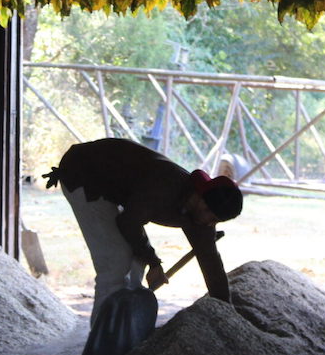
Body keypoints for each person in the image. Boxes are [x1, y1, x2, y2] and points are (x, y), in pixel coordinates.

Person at [42, 138, 243, 324]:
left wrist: (227, 312)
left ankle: (125, 326)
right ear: (199, 196)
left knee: (137, 262)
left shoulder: (202, 218)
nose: (209, 222)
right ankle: (102, 340)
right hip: (85, 172)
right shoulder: (164, 187)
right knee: (116, 261)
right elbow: (128, 222)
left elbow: (211, 262)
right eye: (209, 213)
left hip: (119, 190)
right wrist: (154, 262)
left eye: (216, 220)